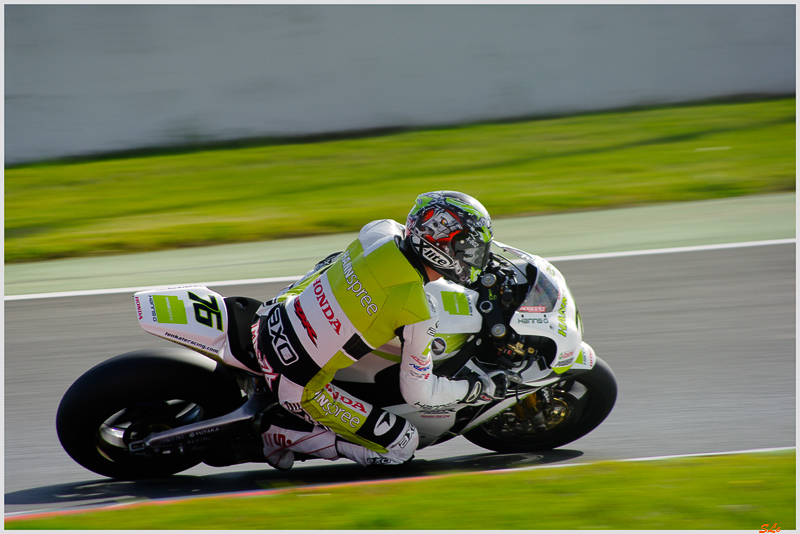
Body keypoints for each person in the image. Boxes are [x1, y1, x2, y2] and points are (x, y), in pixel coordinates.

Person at [251, 191, 509, 469]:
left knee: (333, 262)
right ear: (444, 249)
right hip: (296, 385)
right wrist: (476, 387)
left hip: (269, 316)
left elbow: (331, 263)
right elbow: (419, 395)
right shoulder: (420, 312)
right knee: (402, 445)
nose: (475, 256)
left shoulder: (378, 230)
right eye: (468, 248)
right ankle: (278, 436)